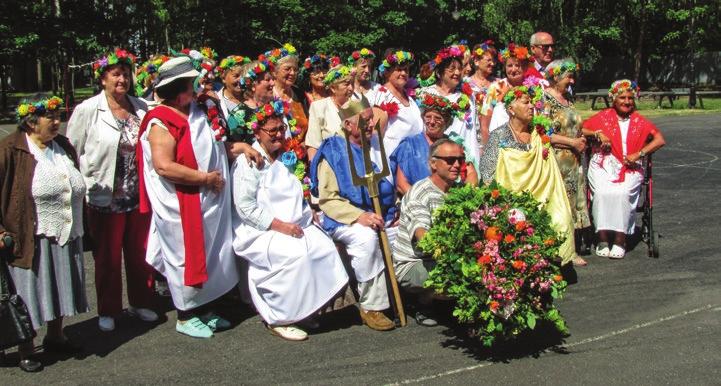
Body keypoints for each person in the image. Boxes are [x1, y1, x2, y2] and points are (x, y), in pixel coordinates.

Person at [137, 57, 240, 338]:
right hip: (182, 204)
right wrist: (206, 179)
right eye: (190, 84)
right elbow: (164, 166)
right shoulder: (161, 121)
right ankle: (185, 315)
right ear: (176, 89)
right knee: (185, 256)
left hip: (207, 200)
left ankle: (205, 307)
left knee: (209, 252)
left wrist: (238, 148)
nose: (196, 89)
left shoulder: (197, 110)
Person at [231, 99, 348, 341]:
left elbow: (296, 188)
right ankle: (279, 317)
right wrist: (280, 226)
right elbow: (245, 207)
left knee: (323, 247)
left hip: (294, 222)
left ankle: (306, 308)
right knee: (296, 256)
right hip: (261, 229)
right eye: (271, 131)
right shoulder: (249, 161)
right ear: (258, 132)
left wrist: (307, 212)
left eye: (280, 129)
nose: (278, 135)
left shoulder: (286, 157)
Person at [66, 49, 157, 332]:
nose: (122, 79)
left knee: (139, 253)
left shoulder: (141, 106)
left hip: (138, 195)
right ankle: (108, 309)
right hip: (104, 197)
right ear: (103, 78)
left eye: (125, 74)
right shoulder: (88, 110)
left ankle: (140, 302)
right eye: (115, 74)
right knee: (107, 257)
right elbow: (73, 151)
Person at [1, 96, 87, 372]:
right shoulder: (10, 150)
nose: (57, 122)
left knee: (61, 285)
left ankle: (56, 335)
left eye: (58, 116)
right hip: (30, 234)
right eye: (51, 117)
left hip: (67, 230)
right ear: (31, 121)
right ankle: (26, 346)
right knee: (29, 292)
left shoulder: (61, 145)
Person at [309, 97, 397, 332]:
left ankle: (407, 292)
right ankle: (372, 306)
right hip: (342, 218)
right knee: (366, 238)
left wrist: (391, 209)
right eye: (365, 120)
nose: (371, 124)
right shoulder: (333, 152)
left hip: (375, 212)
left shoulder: (368, 147)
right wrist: (359, 217)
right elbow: (328, 200)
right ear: (348, 125)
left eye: (371, 119)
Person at [480, 85, 579, 266]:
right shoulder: (499, 135)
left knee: (562, 219)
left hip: (544, 196)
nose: (532, 106)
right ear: (511, 109)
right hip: (511, 197)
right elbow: (487, 172)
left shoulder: (540, 133)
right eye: (526, 102)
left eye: (532, 102)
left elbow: (549, 168)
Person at [582, 80, 665, 259]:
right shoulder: (603, 117)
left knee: (622, 193)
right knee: (602, 193)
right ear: (614, 99)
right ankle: (602, 237)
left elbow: (659, 139)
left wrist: (640, 153)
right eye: (622, 97)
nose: (627, 101)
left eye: (630, 98)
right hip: (603, 164)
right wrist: (597, 133)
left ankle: (620, 239)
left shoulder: (639, 121)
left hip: (630, 166)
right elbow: (580, 129)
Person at [392, 139, 463, 326]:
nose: (456, 165)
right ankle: (424, 301)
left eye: (460, 160)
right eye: (450, 160)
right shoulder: (420, 193)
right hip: (415, 262)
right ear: (433, 163)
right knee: (460, 276)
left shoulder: (458, 190)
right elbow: (423, 235)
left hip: (443, 257)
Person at [543, 59, 592, 260]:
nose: (572, 81)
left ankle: (571, 248)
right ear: (555, 77)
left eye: (572, 77)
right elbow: (544, 133)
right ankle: (562, 250)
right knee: (559, 203)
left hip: (573, 160)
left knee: (572, 202)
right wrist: (572, 143)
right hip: (557, 159)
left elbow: (575, 128)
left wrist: (592, 134)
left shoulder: (568, 99)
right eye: (568, 77)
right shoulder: (546, 99)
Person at [390, 92, 478, 195]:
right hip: (417, 203)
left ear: (446, 121)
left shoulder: (453, 145)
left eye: (437, 118)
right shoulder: (409, 145)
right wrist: (423, 201)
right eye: (428, 117)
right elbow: (401, 184)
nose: (431, 122)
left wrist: (461, 197)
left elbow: (471, 173)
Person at [418, 45, 479, 171]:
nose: (457, 72)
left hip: (460, 158)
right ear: (439, 72)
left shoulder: (467, 96)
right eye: (452, 69)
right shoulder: (425, 94)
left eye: (459, 69)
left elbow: (471, 131)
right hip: (432, 156)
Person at [369, 50, 423, 160]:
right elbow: (375, 137)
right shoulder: (382, 96)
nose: (403, 73)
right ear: (387, 72)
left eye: (406, 70)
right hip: (393, 161)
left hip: (415, 159)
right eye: (399, 70)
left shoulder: (408, 96)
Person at [481, 43, 533, 141]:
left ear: (525, 67)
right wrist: (487, 147)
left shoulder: (532, 89)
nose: (513, 69)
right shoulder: (495, 88)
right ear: (504, 68)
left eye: (517, 65)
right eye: (509, 65)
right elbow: (484, 123)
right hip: (499, 142)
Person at [305, 64, 357, 160]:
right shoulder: (319, 107)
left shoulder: (357, 106)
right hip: (330, 166)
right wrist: (315, 171)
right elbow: (313, 145)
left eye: (352, 84)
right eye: (346, 84)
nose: (351, 88)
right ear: (333, 88)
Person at [265, 43, 309, 139]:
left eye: (295, 69)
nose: (293, 73)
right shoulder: (268, 96)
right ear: (274, 72)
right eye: (287, 69)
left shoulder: (300, 94)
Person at [465, 41, 497, 146]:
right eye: (489, 60)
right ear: (476, 61)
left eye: (494, 60)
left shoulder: (498, 84)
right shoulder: (465, 84)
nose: (493, 64)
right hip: (470, 133)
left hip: (493, 134)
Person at [216, 55, 252, 119]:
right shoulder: (216, 101)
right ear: (223, 78)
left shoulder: (252, 96)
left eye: (243, 75)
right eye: (236, 76)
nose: (241, 80)